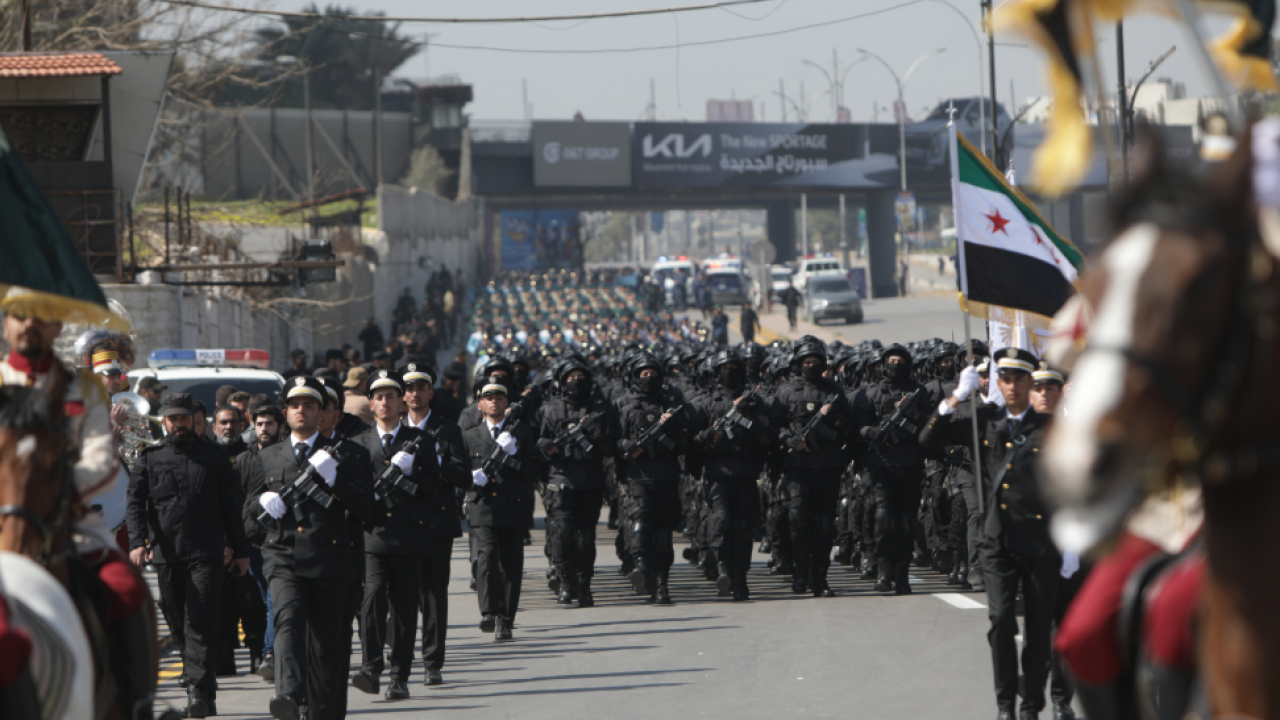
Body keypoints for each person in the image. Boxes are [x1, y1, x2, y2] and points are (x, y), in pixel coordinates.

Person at [920, 348, 1060, 720]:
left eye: (1019, 379)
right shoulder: (983, 420)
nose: (1012, 386)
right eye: (1006, 379)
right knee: (1000, 621)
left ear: (1030, 383)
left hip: (1040, 540)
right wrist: (955, 397)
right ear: (998, 382)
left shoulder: (1052, 427)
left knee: (1038, 629)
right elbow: (928, 440)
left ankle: (1031, 706)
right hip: (997, 539)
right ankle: (1005, 706)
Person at [241, 377, 375, 720]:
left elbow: (367, 511)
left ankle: (322, 711)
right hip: (283, 557)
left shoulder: (350, 454)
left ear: (322, 413)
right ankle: (287, 693)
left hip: (331, 561)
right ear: (286, 413)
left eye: (310, 405)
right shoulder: (266, 456)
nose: (302, 410)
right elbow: (248, 511)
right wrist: (260, 502)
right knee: (287, 620)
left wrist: (336, 479)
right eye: (295, 405)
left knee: (327, 646)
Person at [127, 393, 250, 718]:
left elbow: (231, 506)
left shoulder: (215, 457)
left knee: (200, 619)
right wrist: (137, 542)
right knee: (177, 620)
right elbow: (135, 503)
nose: (179, 424)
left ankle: (198, 692)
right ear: (164, 422)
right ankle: (203, 685)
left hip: (206, 553)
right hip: (166, 554)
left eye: (184, 418)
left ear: (194, 421)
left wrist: (239, 549)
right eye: (173, 419)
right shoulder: (150, 458)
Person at [353, 370, 439, 700]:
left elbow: (433, 487)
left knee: (404, 608)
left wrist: (411, 471)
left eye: (391, 396)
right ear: (371, 404)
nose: (385, 402)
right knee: (372, 599)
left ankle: (400, 674)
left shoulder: (421, 441)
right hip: (373, 535)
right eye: (379, 397)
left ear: (401, 401)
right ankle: (371, 667)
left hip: (409, 536)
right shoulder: (359, 443)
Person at [399, 359, 470, 686]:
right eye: (409, 388)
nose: (415, 393)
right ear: (403, 394)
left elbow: (464, 478)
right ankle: (400, 656)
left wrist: (438, 462)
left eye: (421, 388)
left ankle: (432, 660)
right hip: (401, 522)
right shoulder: (394, 429)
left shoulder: (448, 430)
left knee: (433, 594)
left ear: (431, 392)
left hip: (436, 522)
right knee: (402, 593)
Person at [771, 340, 860, 597]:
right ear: (798, 364)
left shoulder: (834, 392)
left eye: (815, 362)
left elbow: (851, 430)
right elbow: (774, 426)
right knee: (798, 520)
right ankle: (800, 574)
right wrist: (788, 439)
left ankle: (820, 578)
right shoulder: (786, 392)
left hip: (828, 467)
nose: (811, 366)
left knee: (824, 526)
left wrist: (834, 419)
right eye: (806, 362)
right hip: (798, 467)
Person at [536, 356, 621, 607]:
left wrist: (597, 432)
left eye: (580, 377)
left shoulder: (600, 409)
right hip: (561, 477)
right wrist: (546, 446)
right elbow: (538, 442)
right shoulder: (550, 410)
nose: (576, 381)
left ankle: (584, 584)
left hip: (590, 480)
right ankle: (565, 581)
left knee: (586, 537)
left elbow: (609, 449)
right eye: (571, 377)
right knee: (562, 534)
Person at [691, 350, 773, 600]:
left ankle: (740, 578)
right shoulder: (706, 403)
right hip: (717, 472)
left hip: (745, 472)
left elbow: (767, 439)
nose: (730, 372)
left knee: (743, 527)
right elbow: (690, 442)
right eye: (725, 368)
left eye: (734, 367)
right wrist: (703, 437)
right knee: (721, 520)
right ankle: (722, 566)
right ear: (717, 372)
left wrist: (750, 417)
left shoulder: (755, 402)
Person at [462, 380, 540, 640]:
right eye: (488, 397)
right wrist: (470, 478)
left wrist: (514, 452)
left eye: (498, 397)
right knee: (485, 558)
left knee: (510, 564)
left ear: (506, 402)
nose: (494, 401)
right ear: (480, 404)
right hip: (482, 506)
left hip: (513, 507)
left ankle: (505, 619)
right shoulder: (470, 435)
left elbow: (534, 471)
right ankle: (488, 612)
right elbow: (458, 470)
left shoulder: (522, 433)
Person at [613, 353, 692, 604]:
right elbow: (612, 439)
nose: (649, 377)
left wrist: (672, 426)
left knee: (663, 534)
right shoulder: (624, 406)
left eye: (653, 373)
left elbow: (685, 444)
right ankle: (640, 567)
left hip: (666, 476)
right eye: (644, 374)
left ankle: (661, 583)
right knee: (640, 522)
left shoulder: (671, 404)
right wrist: (625, 445)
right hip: (638, 475)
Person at [859, 344, 932, 594]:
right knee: (882, 518)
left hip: (910, 465)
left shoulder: (919, 392)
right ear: (883, 364)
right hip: (882, 465)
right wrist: (871, 432)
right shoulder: (871, 393)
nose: (896, 364)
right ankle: (883, 570)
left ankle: (902, 574)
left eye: (900, 360)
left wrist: (914, 414)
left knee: (905, 521)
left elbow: (931, 426)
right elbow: (858, 426)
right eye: (892, 360)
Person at [136, 376, 168, 440]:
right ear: (143, 392)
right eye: (156, 391)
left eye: (161, 391)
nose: (160, 394)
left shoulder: (153, 409)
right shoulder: (137, 411)